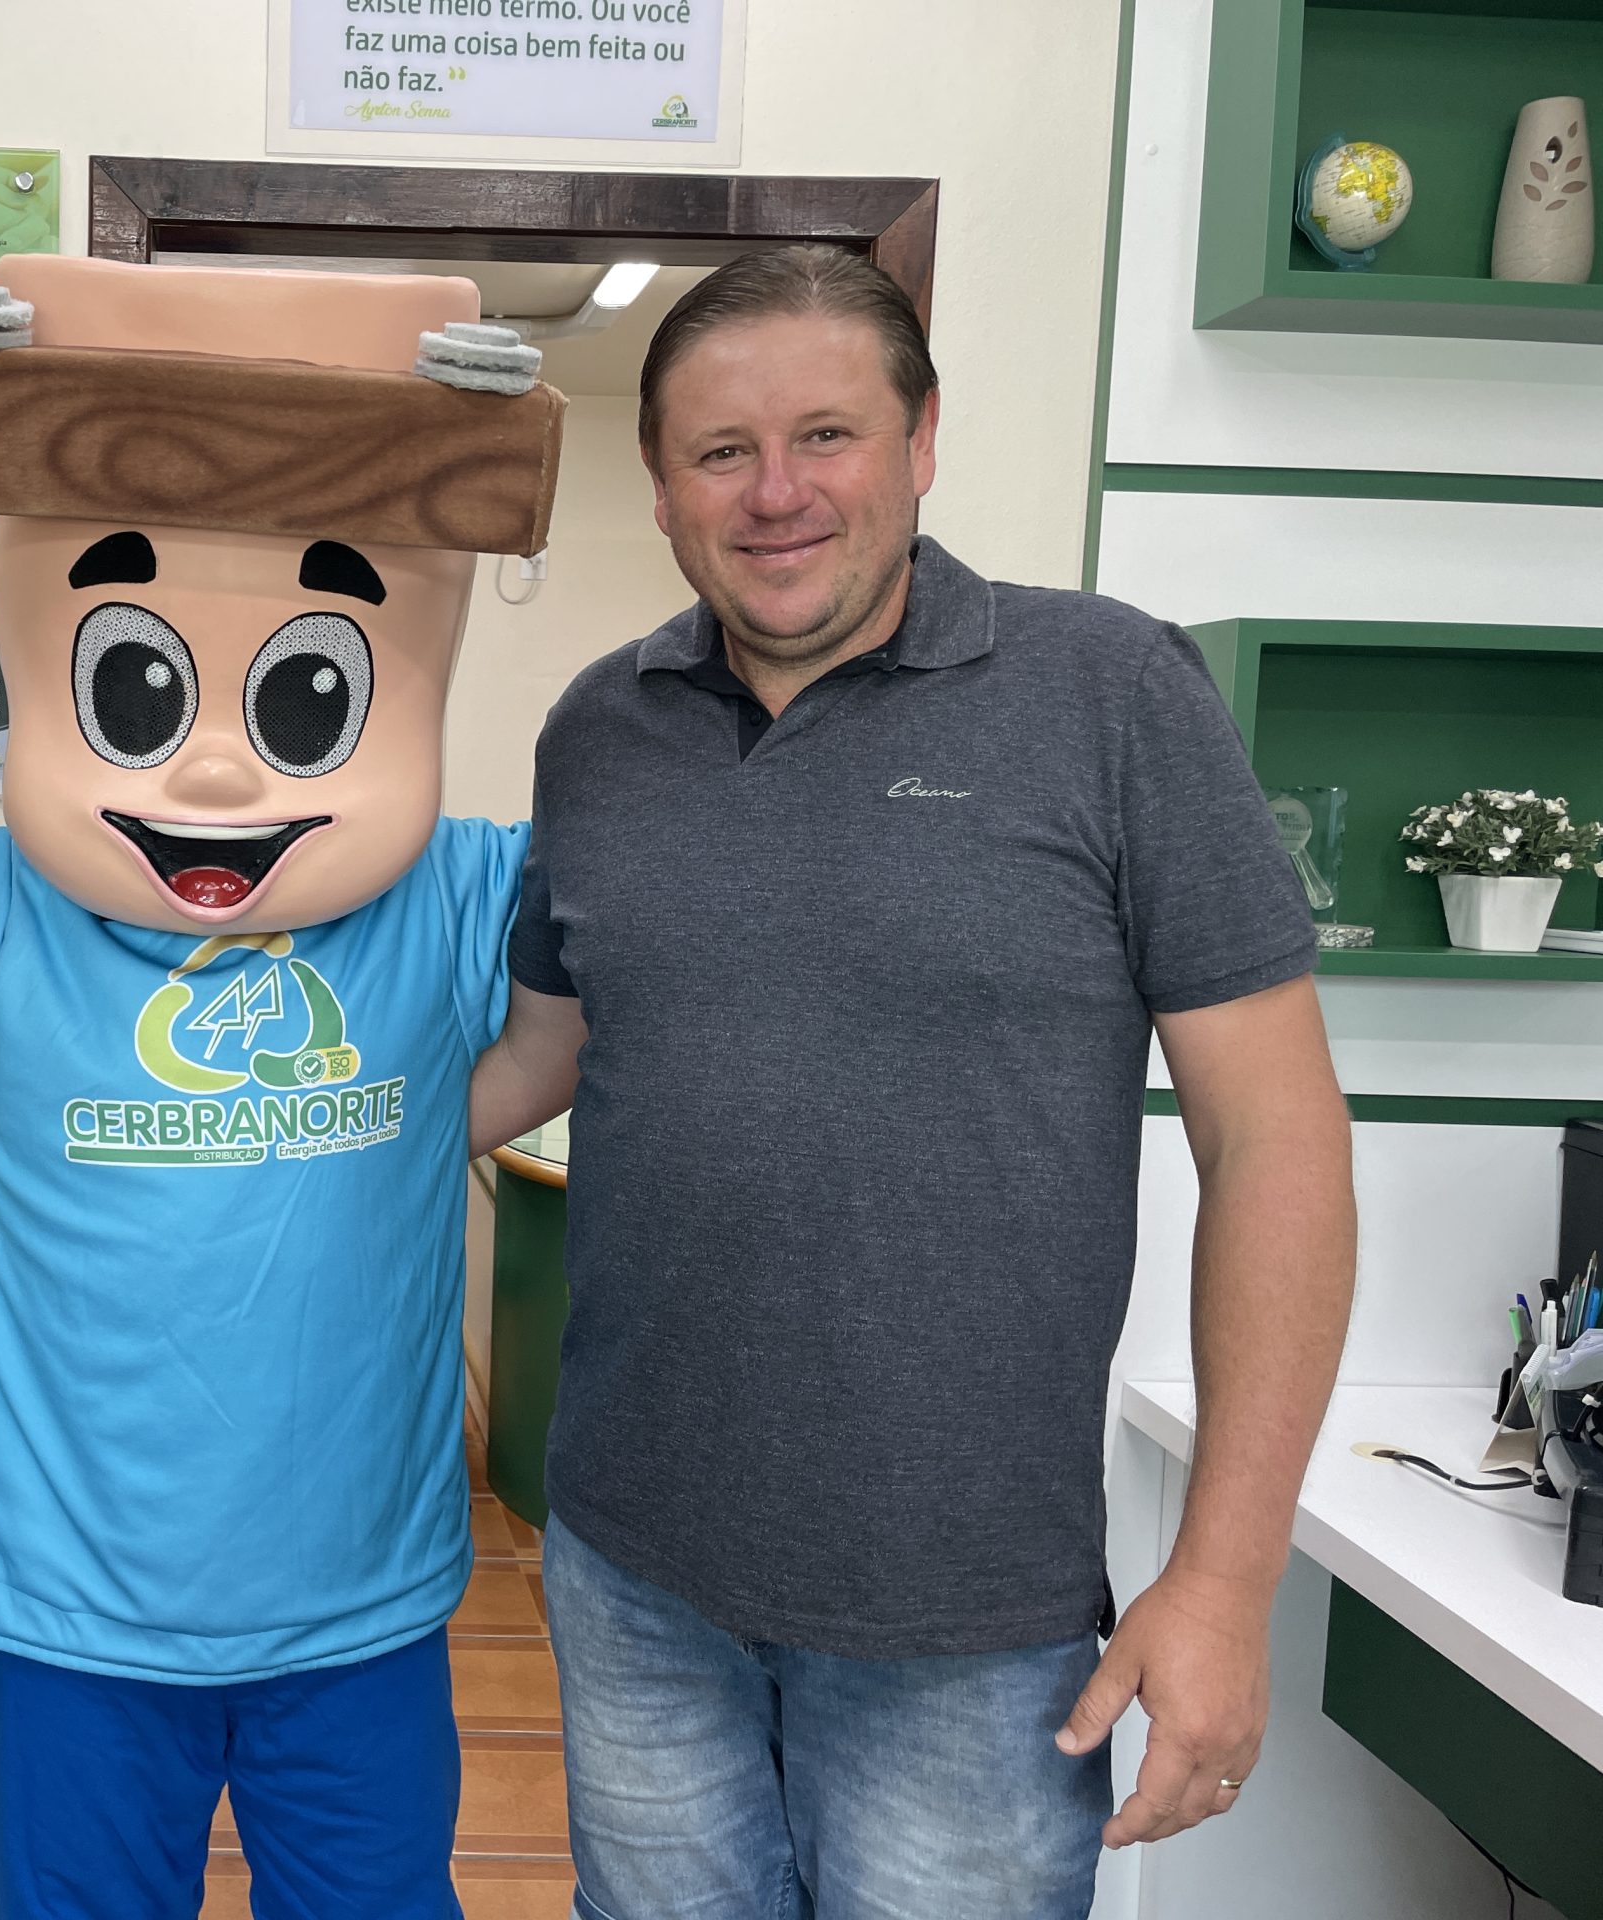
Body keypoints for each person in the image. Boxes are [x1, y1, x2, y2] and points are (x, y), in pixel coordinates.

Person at [469, 246, 1357, 1918]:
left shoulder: (1111, 694)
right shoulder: (600, 729)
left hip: (968, 1625)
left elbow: (1277, 1139)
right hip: (632, 1574)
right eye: (721, 451)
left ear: (923, 438)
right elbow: (540, 1054)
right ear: (659, 486)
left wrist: (1226, 1580)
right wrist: (258, 1126)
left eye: (828, 434)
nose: (777, 492)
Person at [0, 254, 564, 1919]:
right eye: (136, 688)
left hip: (360, 1601)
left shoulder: (455, 892)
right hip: (78, 1604)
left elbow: (563, 1030)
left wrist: (469, 436)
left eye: (307, 699)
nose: (211, 766)